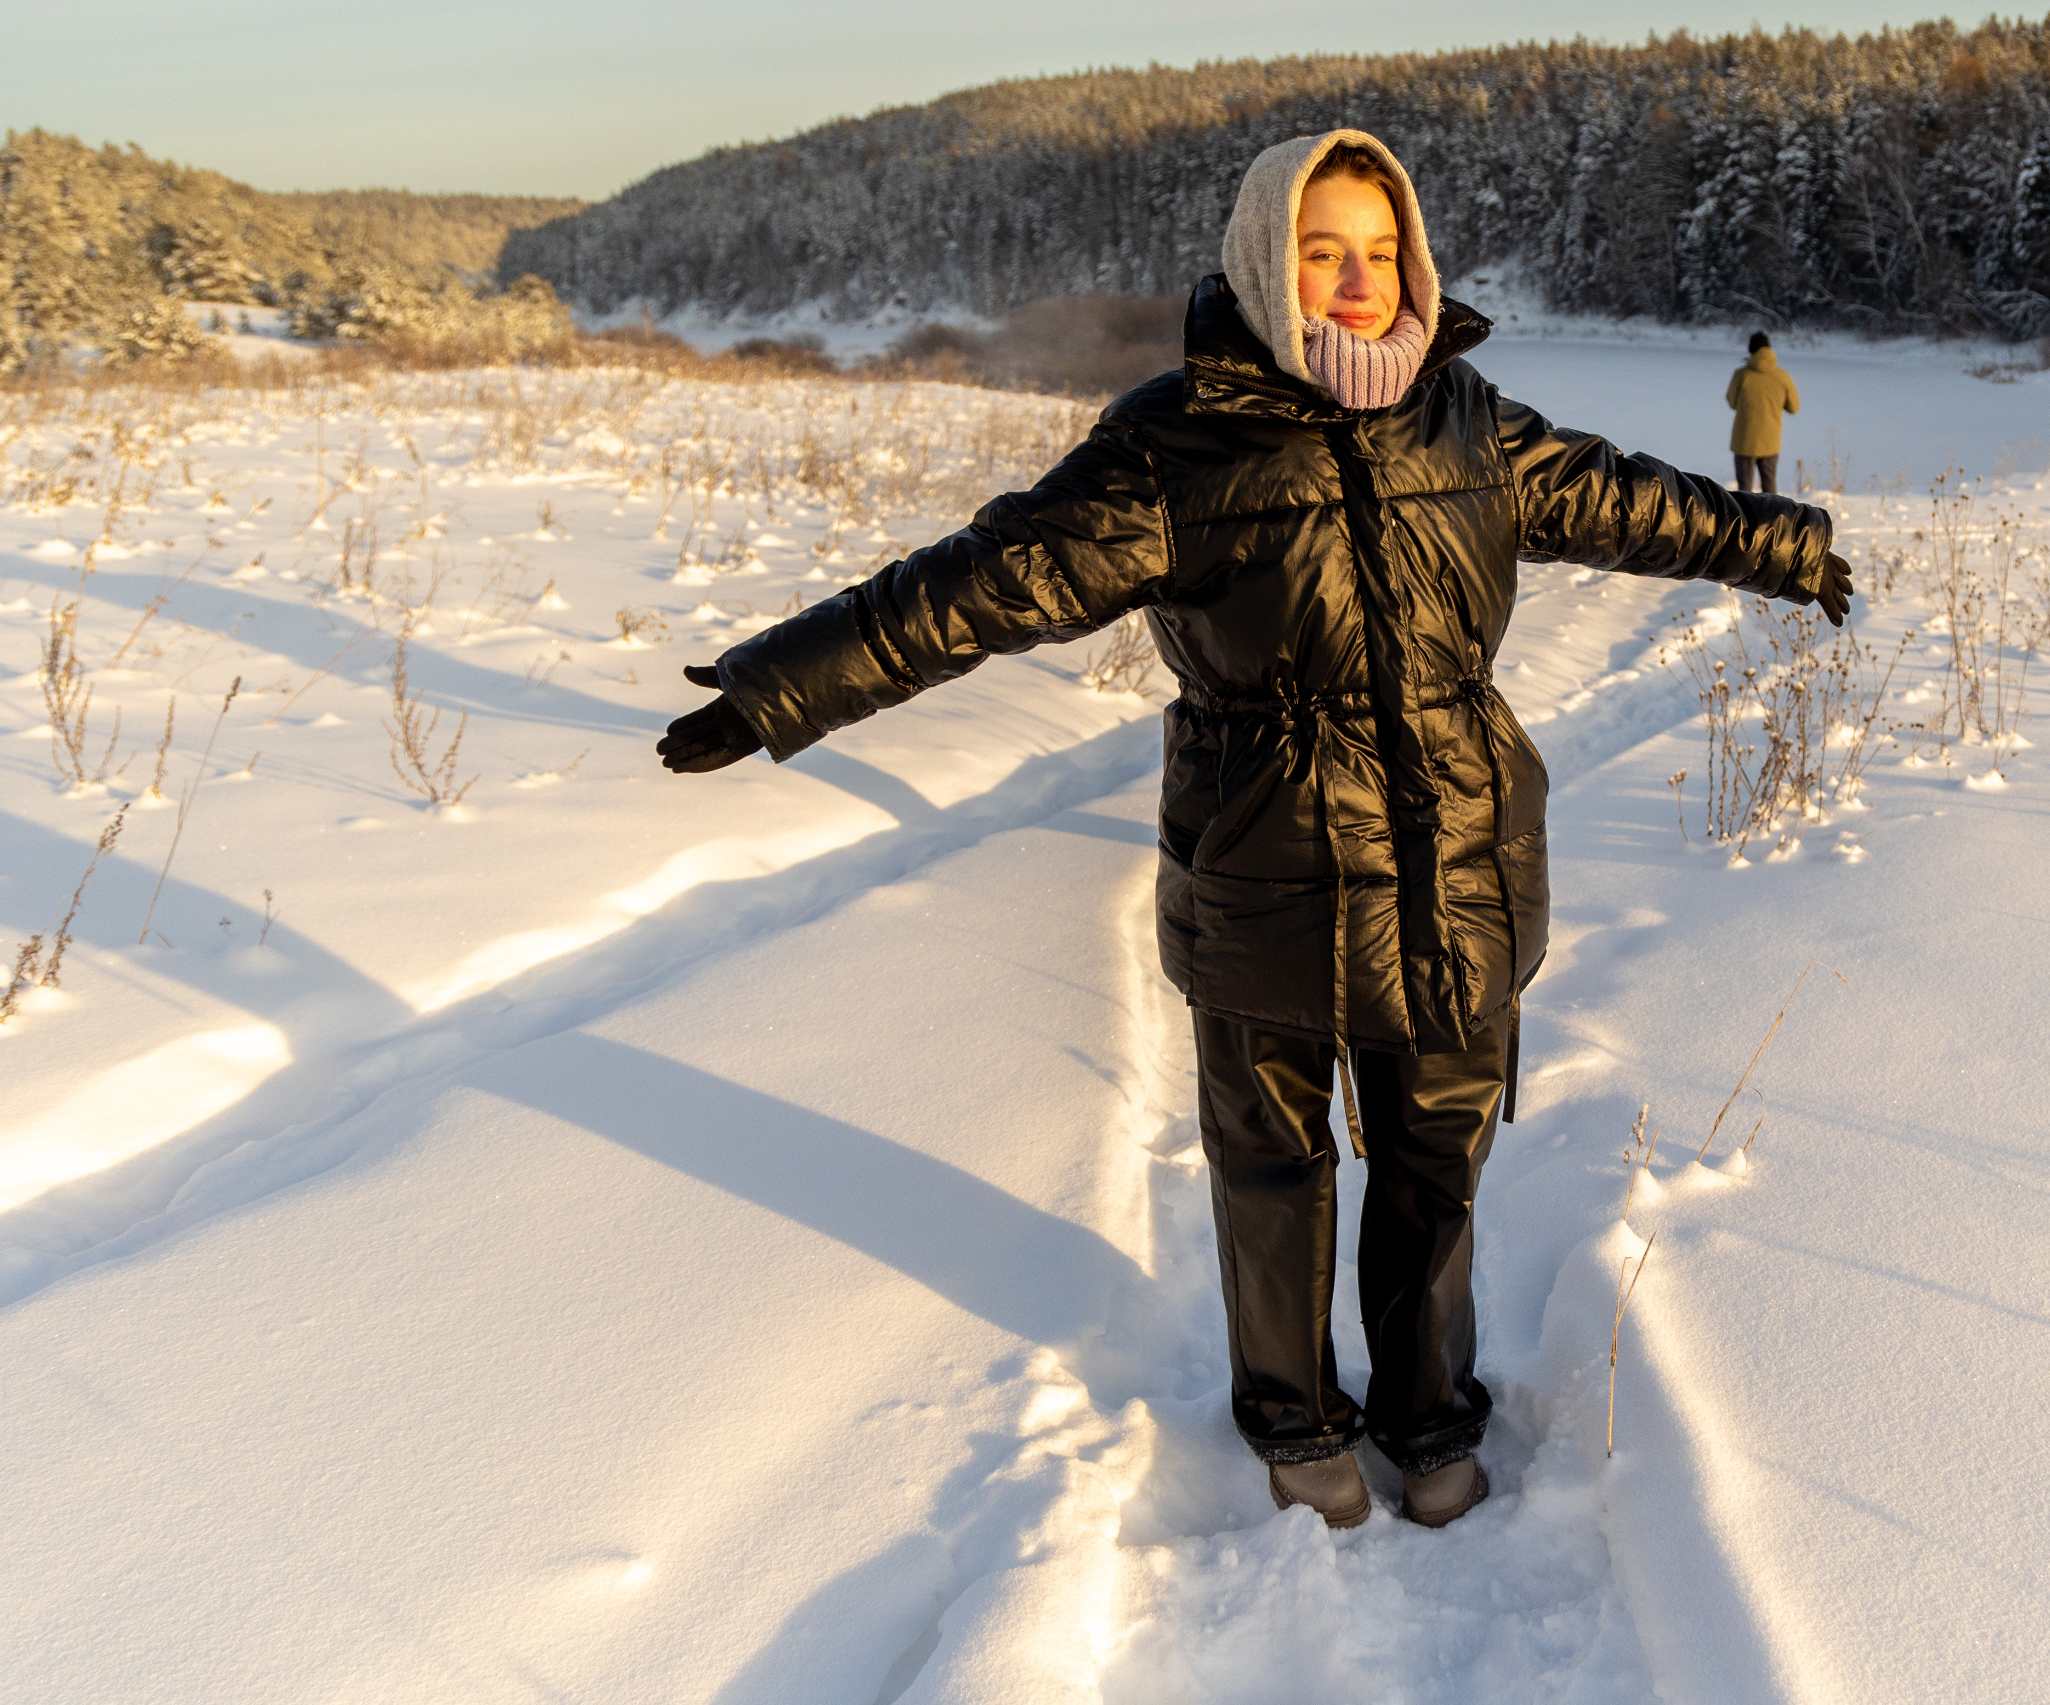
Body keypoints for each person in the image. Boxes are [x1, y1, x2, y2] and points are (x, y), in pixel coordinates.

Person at [657, 130, 1851, 1531]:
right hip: (1266, 869)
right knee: (1275, 1174)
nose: (1356, 281)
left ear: (1416, 260)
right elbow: (992, 581)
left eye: (1380, 250)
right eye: (1322, 251)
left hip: (1458, 861)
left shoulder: (1465, 417)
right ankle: (1292, 1422)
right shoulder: (1177, 441)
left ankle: (1428, 1414)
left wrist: (1787, 545)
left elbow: (1621, 498)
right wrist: (779, 688)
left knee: (1435, 1169)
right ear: (1264, 261)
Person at [1724, 330, 1800, 494]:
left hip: (1744, 440)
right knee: (1769, 486)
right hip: (1770, 441)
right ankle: (1772, 518)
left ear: (1751, 350)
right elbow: (1793, 407)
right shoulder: (1782, 376)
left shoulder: (1741, 375)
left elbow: (1732, 402)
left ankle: (1745, 519)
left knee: (1744, 491)